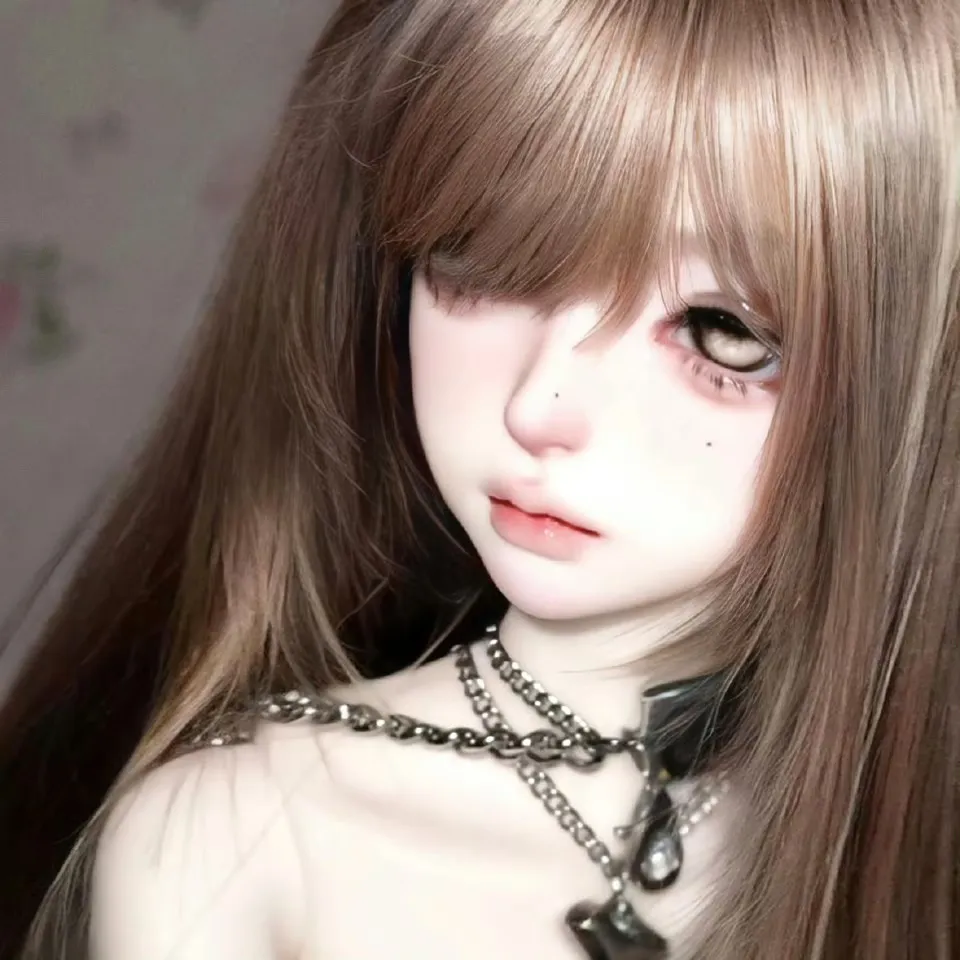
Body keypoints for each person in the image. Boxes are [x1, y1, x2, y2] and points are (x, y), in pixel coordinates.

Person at [2, 0, 958, 957]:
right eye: (485, 266)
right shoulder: (236, 841)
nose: (537, 407)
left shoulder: (901, 839)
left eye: (723, 334)